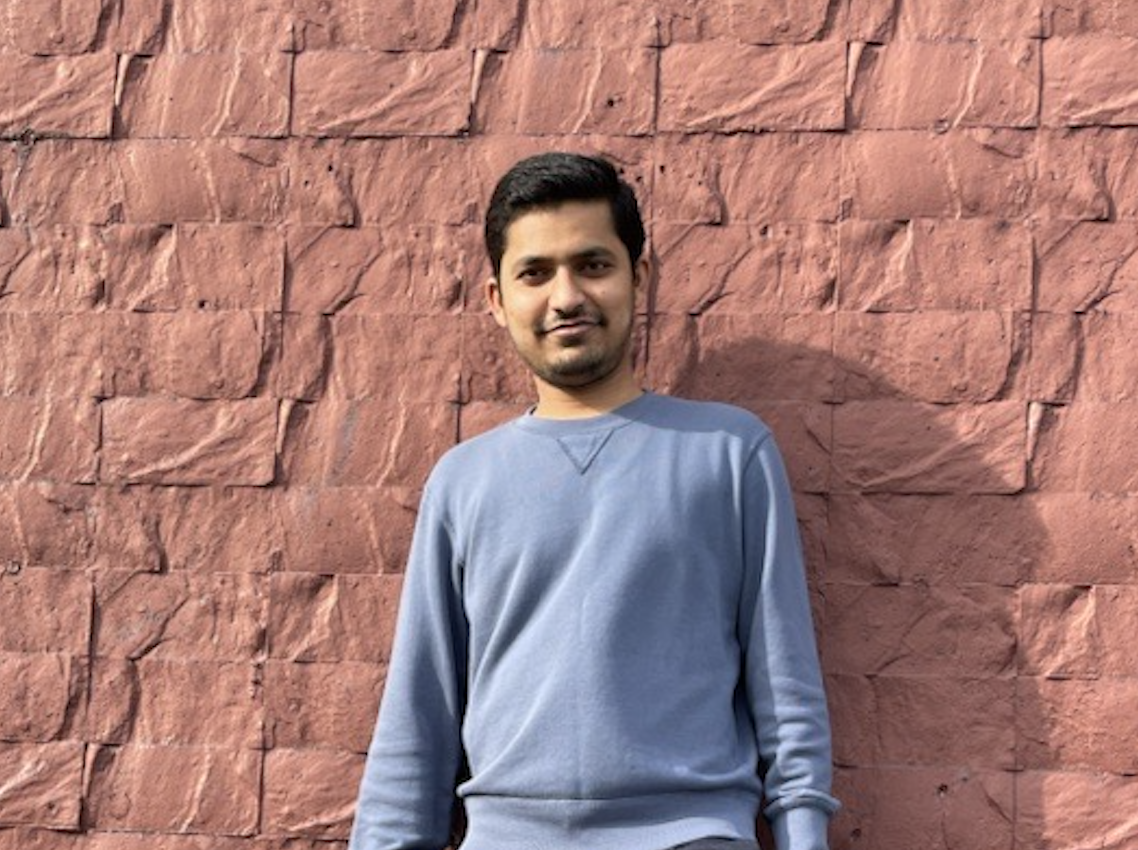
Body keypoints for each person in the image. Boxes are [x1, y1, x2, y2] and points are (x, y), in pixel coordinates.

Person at [348, 152, 839, 850]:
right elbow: (417, 717)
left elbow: (786, 690)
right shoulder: (463, 482)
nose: (567, 296)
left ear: (639, 277)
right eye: (535, 273)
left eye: (593, 265)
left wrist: (805, 836)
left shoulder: (730, 455)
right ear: (497, 299)